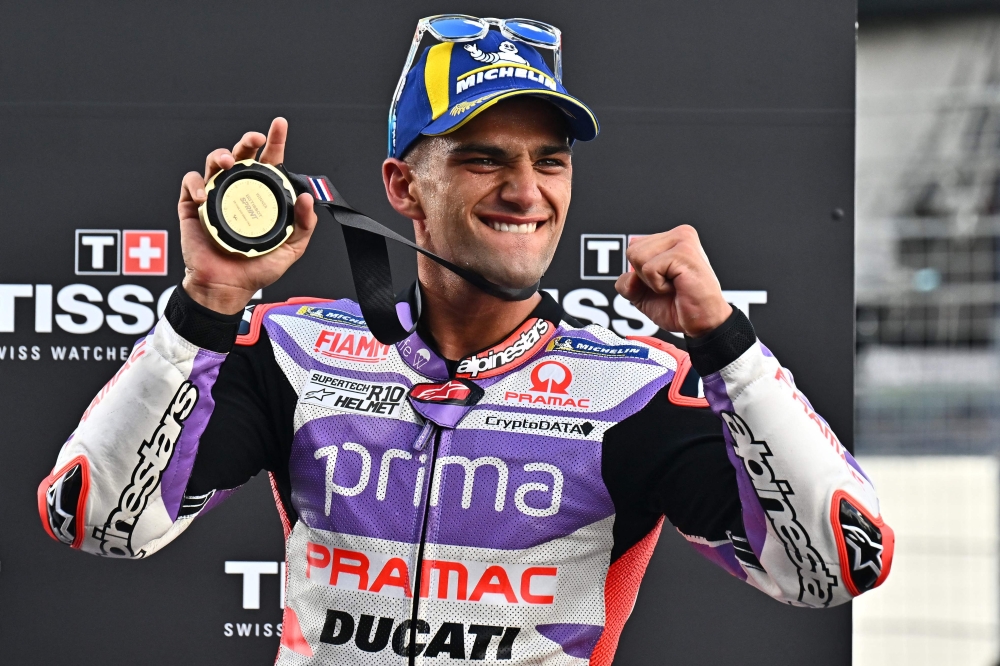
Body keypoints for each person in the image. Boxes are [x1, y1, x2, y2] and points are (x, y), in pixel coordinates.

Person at [38, 16, 893, 666]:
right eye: (486, 159)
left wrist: (729, 347)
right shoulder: (291, 351)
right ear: (403, 185)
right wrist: (207, 301)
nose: (526, 191)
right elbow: (98, 519)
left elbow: (833, 570)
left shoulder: (636, 388)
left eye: (549, 162)